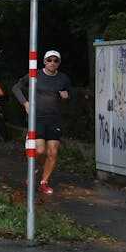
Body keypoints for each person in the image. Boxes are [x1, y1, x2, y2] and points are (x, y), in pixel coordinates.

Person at [12, 49, 73, 194]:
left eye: (55, 60)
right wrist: (25, 103)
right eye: (49, 60)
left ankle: (43, 183)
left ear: (58, 63)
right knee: (39, 150)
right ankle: (34, 169)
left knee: (53, 152)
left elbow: (70, 94)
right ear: (44, 62)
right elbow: (16, 88)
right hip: (36, 118)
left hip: (54, 119)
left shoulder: (63, 79)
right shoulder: (35, 75)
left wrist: (67, 96)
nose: (52, 63)